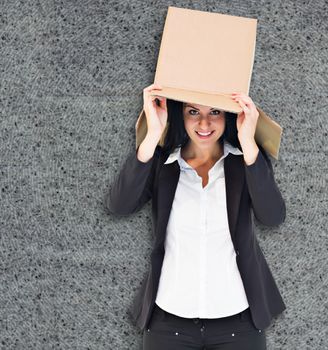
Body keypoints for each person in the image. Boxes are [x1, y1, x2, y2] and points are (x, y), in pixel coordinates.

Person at [106, 83, 286, 349]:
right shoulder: (163, 165)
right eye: (193, 111)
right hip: (169, 321)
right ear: (181, 115)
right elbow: (120, 205)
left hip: (237, 321)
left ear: (229, 115)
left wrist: (249, 142)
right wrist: (153, 134)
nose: (204, 122)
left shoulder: (245, 162)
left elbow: (272, 216)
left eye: (215, 111)